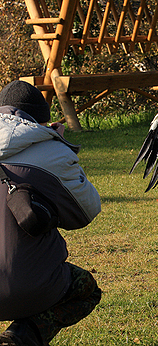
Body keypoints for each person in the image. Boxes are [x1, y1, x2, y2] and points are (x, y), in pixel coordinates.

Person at [0, 81, 102, 346]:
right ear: (41, 119)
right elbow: (86, 211)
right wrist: (59, 147)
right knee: (86, 291)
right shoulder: (52, 152)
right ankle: (22, 336)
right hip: (29, 287)